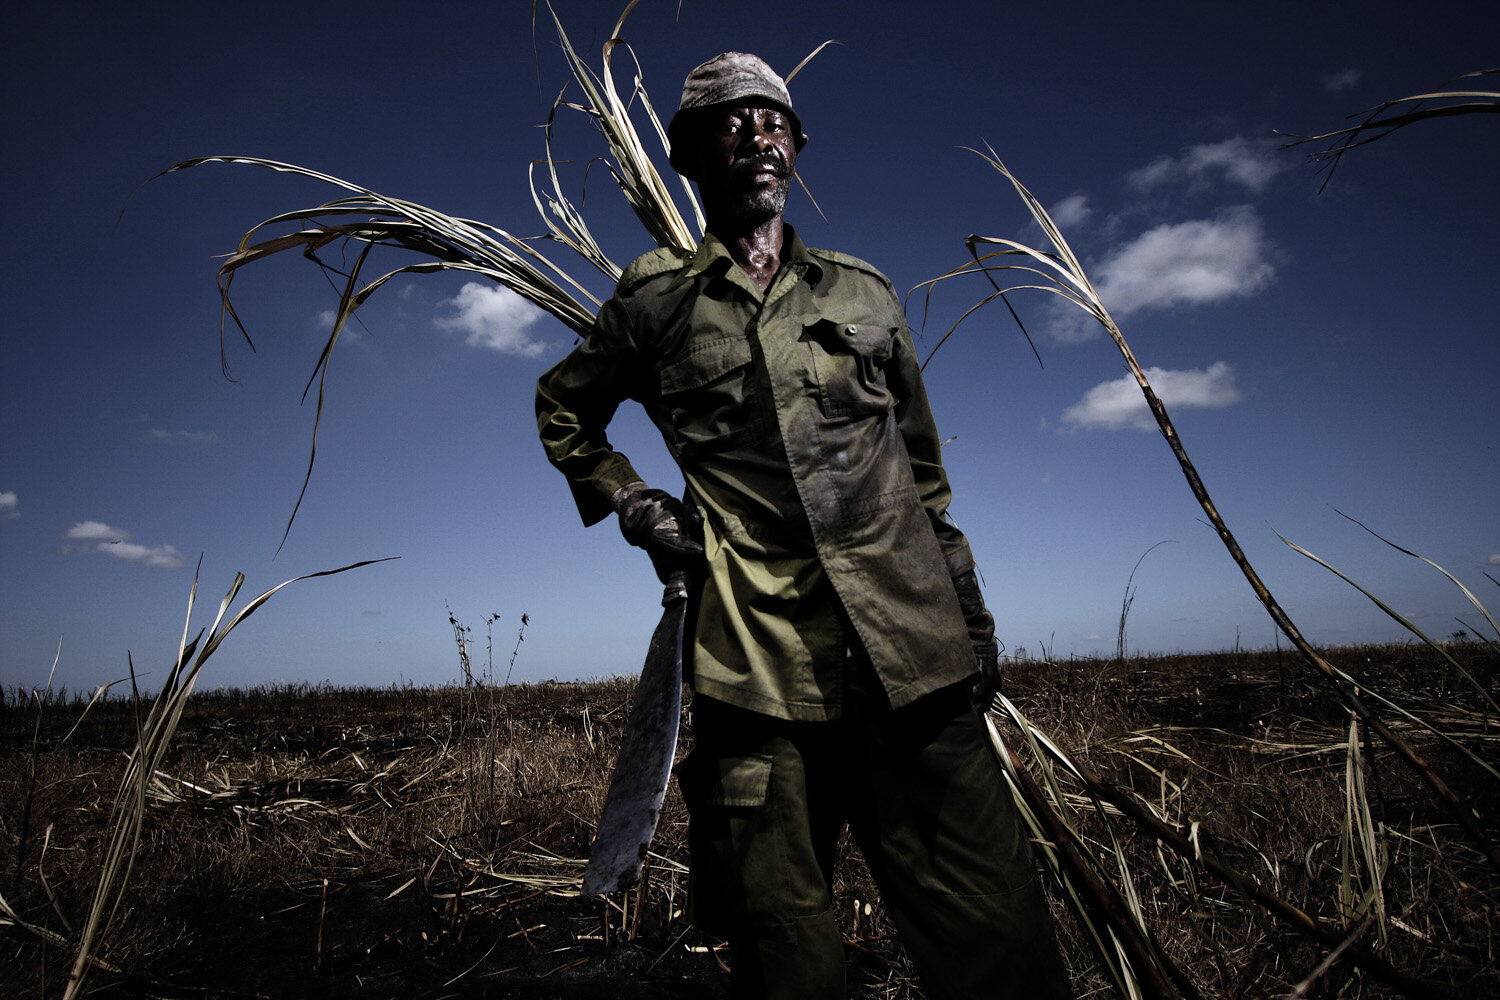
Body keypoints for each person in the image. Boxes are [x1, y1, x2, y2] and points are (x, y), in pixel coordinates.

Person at [536, 51, 1071, 1000]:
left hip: (913, 657)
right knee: (787, 960)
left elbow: (925, 478)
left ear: (798, 148)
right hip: (756, 669)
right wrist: (632, 500)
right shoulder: (656, 299)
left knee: (1002, 951)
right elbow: (564, 409)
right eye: (732, 123)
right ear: (690, 156)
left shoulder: (864, 293)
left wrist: (970, 614)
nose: (759, 137)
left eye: (775, 121)